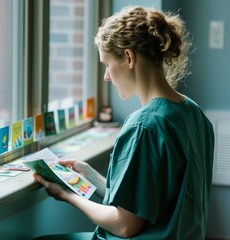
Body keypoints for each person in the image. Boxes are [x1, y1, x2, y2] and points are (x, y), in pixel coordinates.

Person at [33, 5, 214, 240]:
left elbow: (125, 226)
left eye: (107, 64)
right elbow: (143, 199)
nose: (106, 76)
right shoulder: (193, 113)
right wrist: (88, 175)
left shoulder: (144, 127)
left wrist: (68, 195)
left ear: (129, 57)